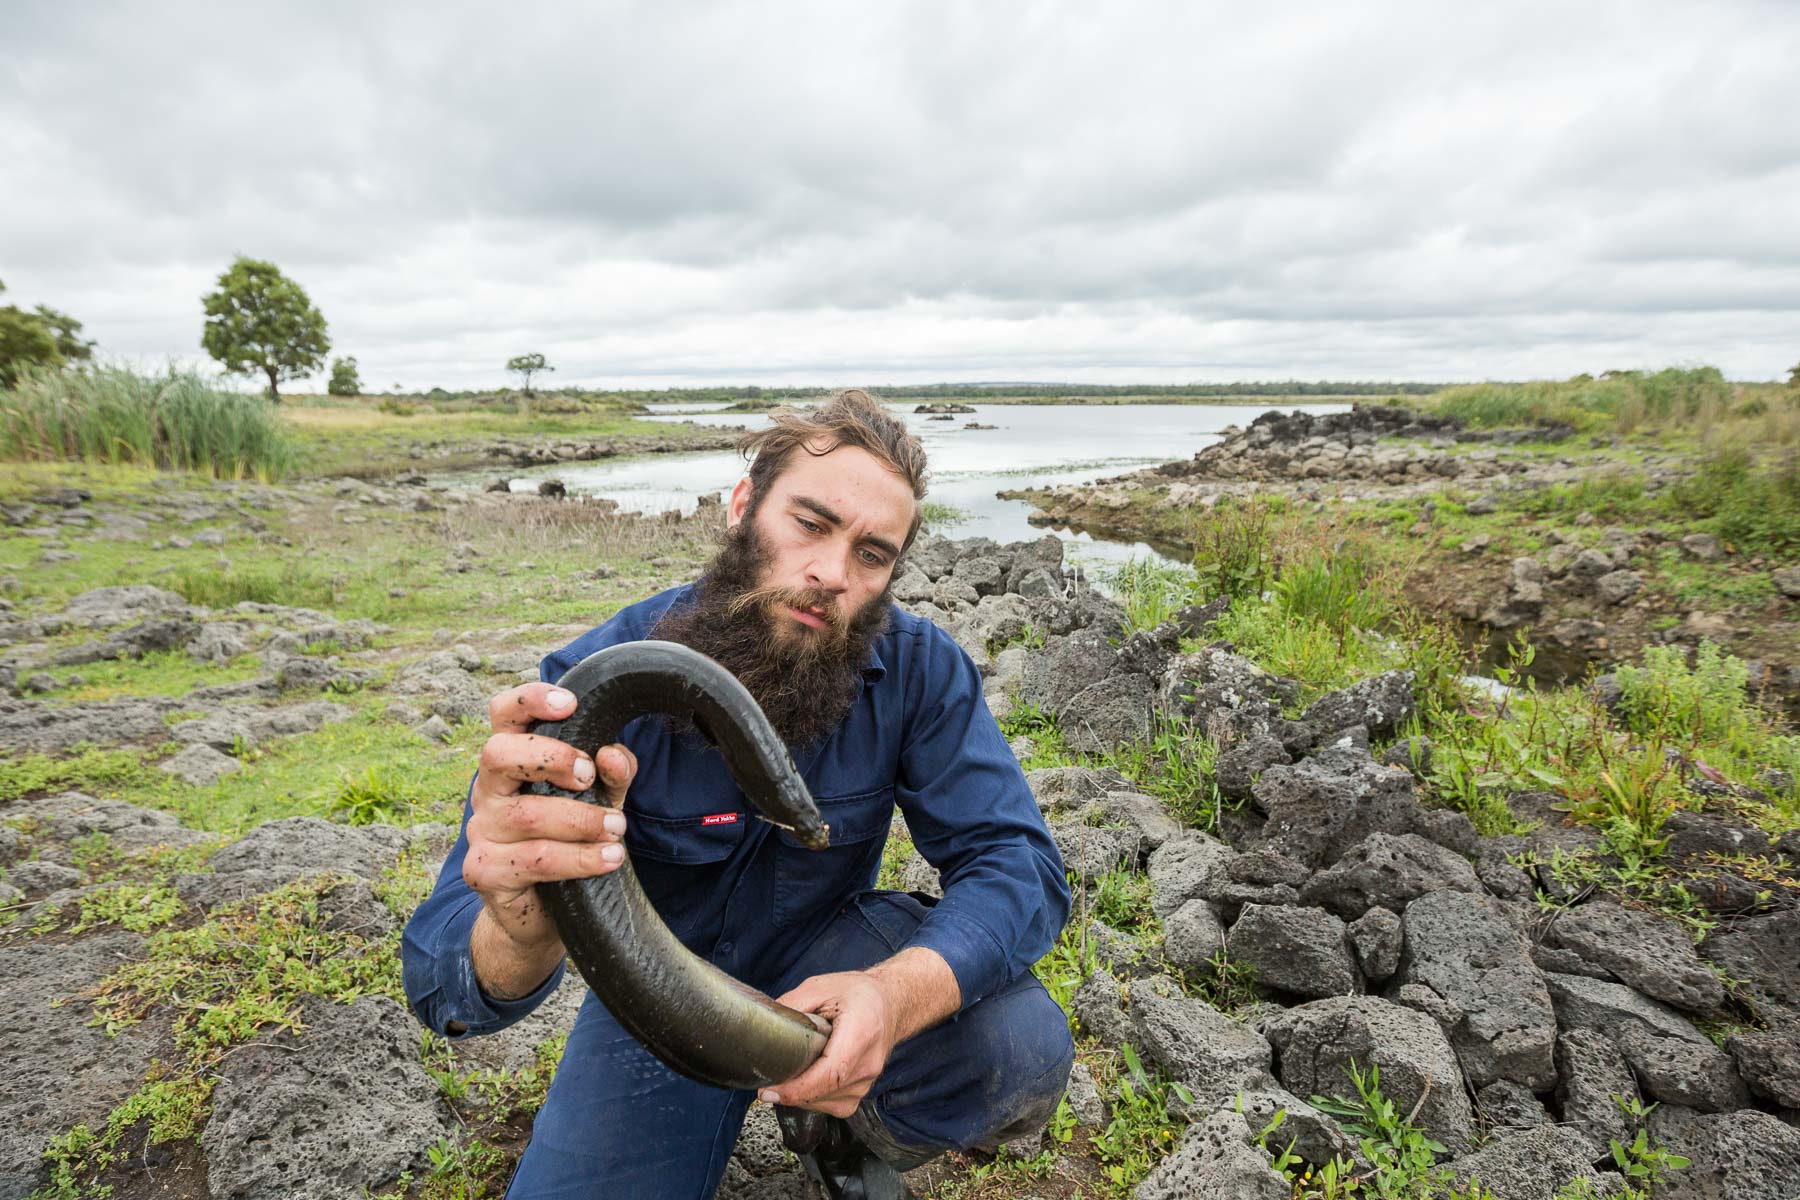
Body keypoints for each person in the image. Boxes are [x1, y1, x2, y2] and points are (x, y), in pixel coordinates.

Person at [401, 390, 1074, 1199]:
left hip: (828, 966)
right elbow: (441, 987)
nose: (831, 573)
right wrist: (525, 928)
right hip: (661, 999)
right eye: (811, 524)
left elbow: (1017, 865)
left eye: (872, 554)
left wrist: (893, 998)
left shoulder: (922, 670)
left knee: (1014, 1042)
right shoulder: (590, 687)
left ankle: (835, 1127)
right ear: (743, 506)